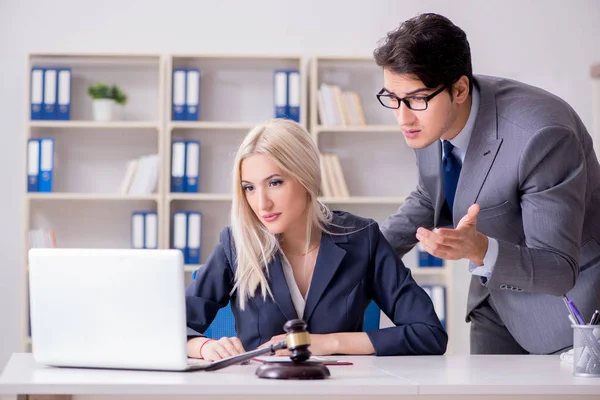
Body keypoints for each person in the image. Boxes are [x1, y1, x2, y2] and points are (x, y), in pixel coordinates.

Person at [374, 13, 600, 355]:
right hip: (492, 301)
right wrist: (361, 257)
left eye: (416, 99)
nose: (403, 116)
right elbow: (429, 196)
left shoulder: (542, 137)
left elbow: (558, 267)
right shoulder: (429, 120)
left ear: (460, 89)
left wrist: (478, 249)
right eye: (392, 97)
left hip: (562, 312)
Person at [185, 118, 447, 361]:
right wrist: (204, 346)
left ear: (306, 177)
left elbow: (429, 333)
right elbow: (170, 330)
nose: (261, 203)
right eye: (249, 188)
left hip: (338, 390)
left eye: (275, 182)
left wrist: (329, 343)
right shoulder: (237, 243)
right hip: (261, 390)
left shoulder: (361, 238)